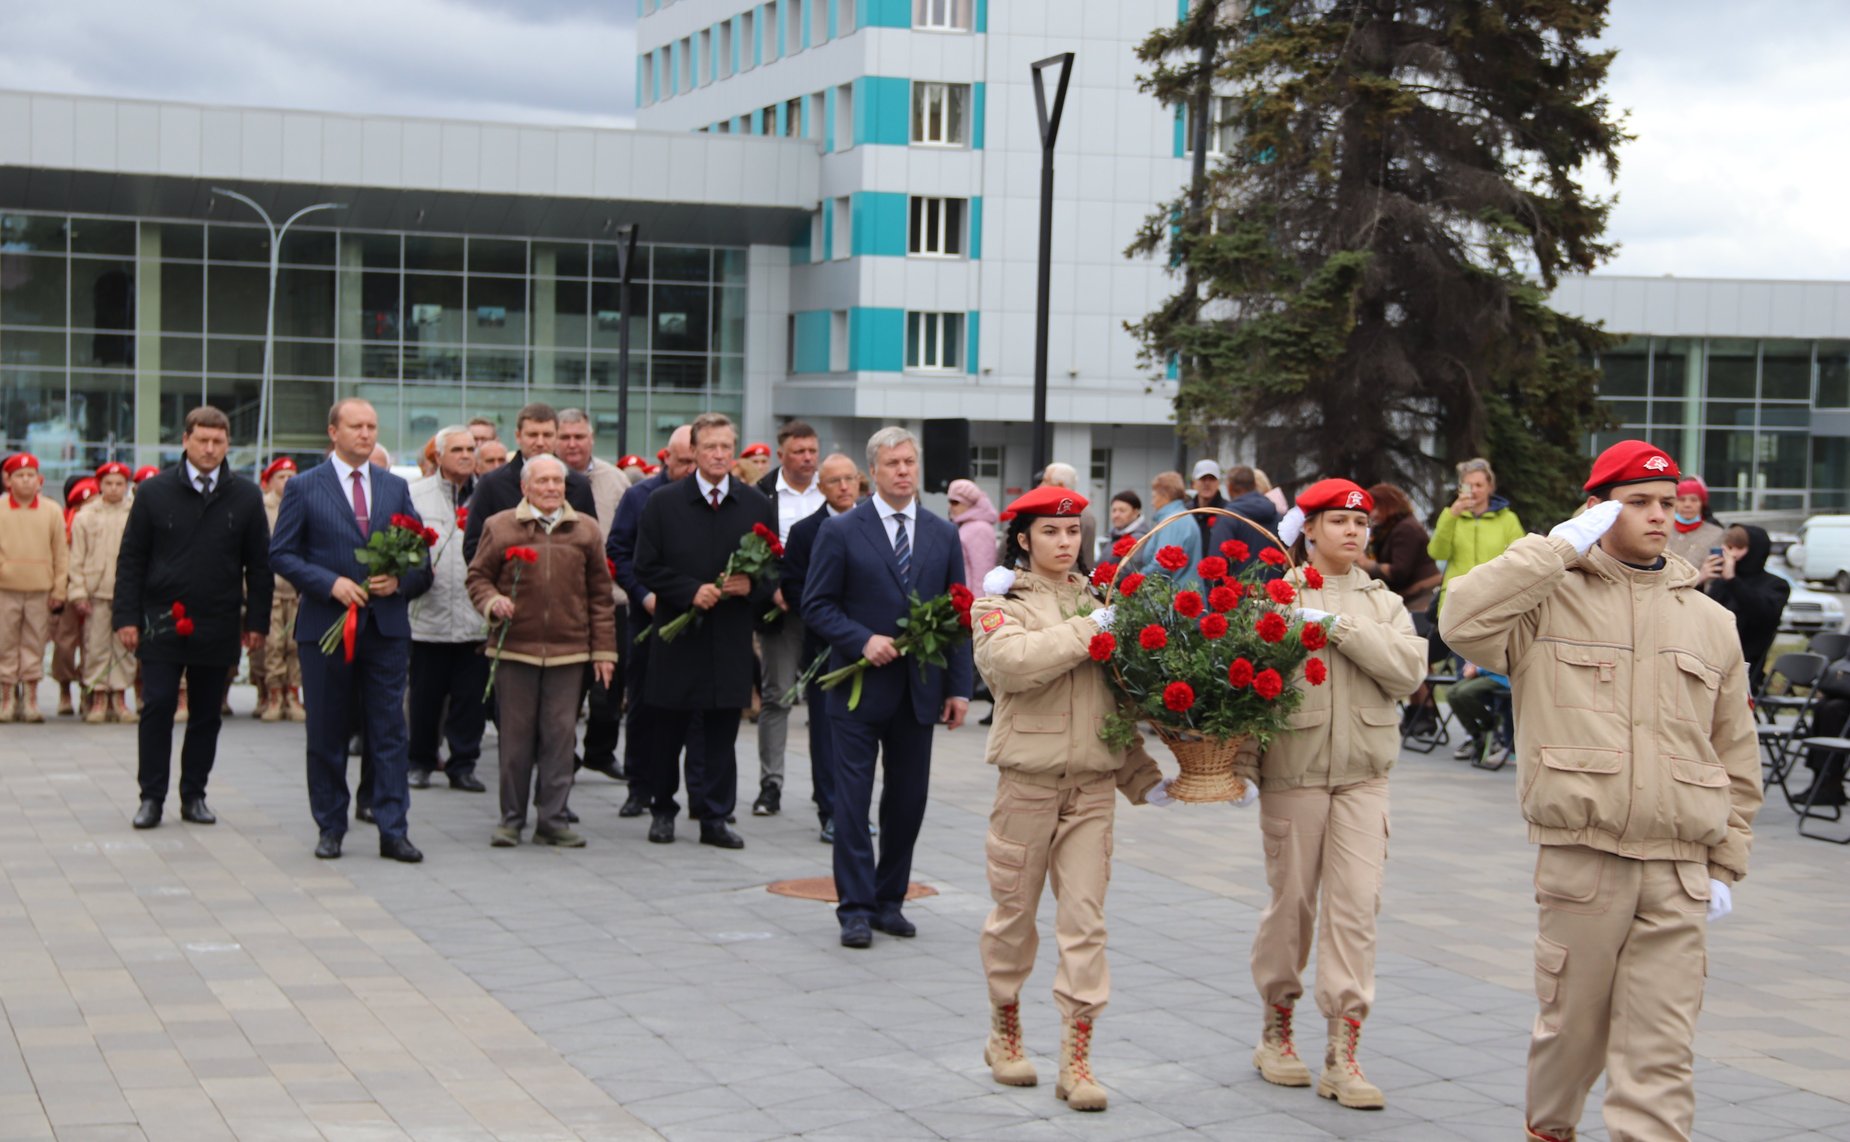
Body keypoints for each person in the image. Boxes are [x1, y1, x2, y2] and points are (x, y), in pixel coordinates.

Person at [1440, 440, 1761, 1142]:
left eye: (1667, 504)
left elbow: (1736, 753)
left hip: (1678, 868)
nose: (1658, 516)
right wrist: (1552, 550)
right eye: (1637, 502)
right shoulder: (1546, 600)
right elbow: (1460, 618)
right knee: (1570, 1035)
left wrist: (1726, 859)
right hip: (1584, 861)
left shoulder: (1710, 622)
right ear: (1595, 509)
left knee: (1661, 1054)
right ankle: (1549, 1130)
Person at [970, 487, 1168, 1113]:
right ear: (1024, 539)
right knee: (1014, 919)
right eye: (1050, 532)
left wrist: (1145, 777)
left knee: (1085, 924)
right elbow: (1012, 666)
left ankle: (1076, 1059)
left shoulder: (1104, 601)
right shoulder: (998, 604)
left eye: (1073, 531)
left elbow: (1117, 706)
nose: (1065, 542)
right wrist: (1089, 629)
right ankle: (1005, 1032)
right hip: (1026, 787)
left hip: (1091, 791)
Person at [1236, 479, 1424, 1110]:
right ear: (1308, 529)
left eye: (1360, 522)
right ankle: (1275, 1029)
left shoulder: (1382, 601)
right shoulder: (1275, 597)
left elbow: (1408, 671)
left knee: (1356, 908)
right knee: (1292, 906)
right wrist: (1236, 763)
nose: (1351, 531)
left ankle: (1343, 1051)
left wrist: (1340, 628)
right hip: (1294, 769)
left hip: (1364, 773)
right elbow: (1245, 683)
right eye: (1337, 520)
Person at [802, 426, 973, 948]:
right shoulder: (843, 531)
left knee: (907, 802)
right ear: (871, 471)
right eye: (893, 463)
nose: (903, 471)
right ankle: (853, 908)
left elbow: (957, 612)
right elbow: (817, 606)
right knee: (852, 803)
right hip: (857, 692)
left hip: (918, 692)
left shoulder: (942, 534)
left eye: (909, 463)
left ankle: (889, 900)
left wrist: (959, 687)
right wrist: (861, 639)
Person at [270, 398, 434, 862]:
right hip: (326, 626)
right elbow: (281, 554)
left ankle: (392, 828)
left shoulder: (394, 487)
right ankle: (330, 826)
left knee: (388, 731)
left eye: (372, 426)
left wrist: (399, 580)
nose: (366, 434)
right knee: (327, 731)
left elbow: (422, 558)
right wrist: (331, 583)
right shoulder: (304, 487)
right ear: (333, 432)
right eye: (356, 426)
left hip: (384, 629)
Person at [113, 408, 272, 827]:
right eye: (202, 440)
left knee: (206, 713)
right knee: (159, 704)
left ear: (227, 445)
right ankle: (151, 797)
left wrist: (256, 623)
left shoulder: (246, 495)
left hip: (218, 621)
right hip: (162, 620)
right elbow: (131, 559)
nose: (209, 449)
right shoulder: (154, 492)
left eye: (218, 442)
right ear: (185, 440)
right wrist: (126, 618)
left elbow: (259, 566)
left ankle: (194, 795)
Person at [634, 412, 776, 848]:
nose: (719, 455)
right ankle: (662, 809)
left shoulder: (755, 504)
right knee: (668, 731)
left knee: (721, 734)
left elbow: (775, 570)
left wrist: (751, 585)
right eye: (710, 446)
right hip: (678, 638)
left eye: (725, 447)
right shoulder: (664, 502)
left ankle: (715, 816)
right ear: (693, 451)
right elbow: (646, 566)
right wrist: (688, 591)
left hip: (729, 639)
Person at [468, 455, 617, 847]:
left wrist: (604, 652)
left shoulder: (586, 530)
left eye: (558, 481)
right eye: (543, 481)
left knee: (560, 739)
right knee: (515, 741)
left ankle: (552, 819)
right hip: (516, 651)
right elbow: (478, 577)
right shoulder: (500, 527)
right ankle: (511, 819)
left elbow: (601, 597)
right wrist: (493, 601)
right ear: (525, 487)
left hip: (570, 654)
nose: (552, 488)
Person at [608, 425, 699, 820]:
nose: (689, 469)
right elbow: (619, 552)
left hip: (700, 623)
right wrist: (645, 595)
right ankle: (640, 786)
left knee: (700, 713)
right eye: (683, 462)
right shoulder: (640, 496)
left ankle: (702, 795)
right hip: (649, 618)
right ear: (666, 457)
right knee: (645, 705)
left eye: (695, 462)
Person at [780, 453, 861, 842]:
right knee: (827, 733)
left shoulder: (877, 524)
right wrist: (832, 623)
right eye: (834, 481)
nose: (844, 487)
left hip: (874, 648)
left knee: (863, 736)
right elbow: (795, 589)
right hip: (825, 649)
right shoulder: (805, 532)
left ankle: (857, 810)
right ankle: (830, 809)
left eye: (850, 479)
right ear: (821, 488)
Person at [407, 426, 489, 792]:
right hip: (429, 614)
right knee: (425, 696)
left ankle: (463, 764)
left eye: (471, 448)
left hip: (474, 615)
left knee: (470, 698)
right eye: (456, 449)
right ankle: (421, 760)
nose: (465, 455)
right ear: (437, 456)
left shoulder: (488, 494)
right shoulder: (415, 495)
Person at [751, 419, 824, 817]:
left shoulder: (830, 493)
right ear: (782, 455)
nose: (808, 458)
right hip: (781, 609)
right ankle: (770, 784)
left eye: (812, 450)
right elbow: (750, 549)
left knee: (826, 701)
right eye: (799, 451)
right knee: (777, 695)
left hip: (826, 610)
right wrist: (770, 589)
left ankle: (825, 789)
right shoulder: (761, 495)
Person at [556, 408, 631, 783]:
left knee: (608, 686)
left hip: (610, 598)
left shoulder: (615, 480)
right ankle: (562, 756)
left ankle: (601, 751)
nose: (572, 444)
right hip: (563, 601)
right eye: (565, 437)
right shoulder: (545, 477)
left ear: (591, 439)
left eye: (579, 437)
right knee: (567, 686)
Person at [463, 403, 597, 563]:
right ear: (518, 436)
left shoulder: (578, 485)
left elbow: (591, 544)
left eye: (547, 435)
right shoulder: (492, 484)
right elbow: (474, 547)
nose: (540, 442)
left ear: (556, 436)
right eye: (533, 435)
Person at [0, 452, 67, 723]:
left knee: (35, 643)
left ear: (39, 481)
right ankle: (7, 698)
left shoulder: (51, 510)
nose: (26, 481)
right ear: (8, 480)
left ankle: (30, 698)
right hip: (5, 589)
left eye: (31, 476)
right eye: (20, 476)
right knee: (5, 642)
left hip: (41, 589)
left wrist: (59, 590)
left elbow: (61, 553)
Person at [67, 462, 136, 723]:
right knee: (95, 646)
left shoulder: (135, 513)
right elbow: (76, 558)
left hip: (125, 593)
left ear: (127, 486)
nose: (114, 488)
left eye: (119, 483)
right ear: (100, 485)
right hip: (96, 592)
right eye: (109, 483)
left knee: (124, 648)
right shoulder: (86, 516)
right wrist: (78, 593)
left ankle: (119, 698)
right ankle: (97, 698)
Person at [1704, 524, 1788, 693]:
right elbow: (1701, 615)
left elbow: (1764, 614)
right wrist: (1699, 580)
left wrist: (1732, 580)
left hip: (1745, 663)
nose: (1731, 553)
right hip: (1710, 658)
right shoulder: (1720, 583)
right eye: (1728, 547)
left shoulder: (1776, 585)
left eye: (1738, 548)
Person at [1427, 457, 1523, 600]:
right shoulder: (1452, 517)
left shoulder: (1507, 519)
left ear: (1490, 487)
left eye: (1479, 485)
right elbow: (1437, 553)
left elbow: (1520, 557)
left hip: (1494, 598)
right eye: (1468, 485)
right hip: (1457, 599)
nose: (1473, 490)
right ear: (1461, 488)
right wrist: (1451, 515)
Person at [256, 458, 307, 722]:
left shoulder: (303, 502)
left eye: (291, 475)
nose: (286, 481)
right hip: (272, 589)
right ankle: (273, 694)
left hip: (297, 589)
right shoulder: (261, 508)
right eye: (281, 476)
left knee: (295, 645)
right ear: (270, 480)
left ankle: (293, 694)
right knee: (274, 644)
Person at [49, 478, 98, 716]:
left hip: (95, 590)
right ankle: (64, 689)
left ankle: (88, 692)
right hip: (68, 590)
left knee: (93, 645)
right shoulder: (61, 523)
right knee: (65, 644)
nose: (84, 509)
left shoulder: (101, 521)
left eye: (90, 502)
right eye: (80, 504)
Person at [1357, 484, 1441, 613]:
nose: (1371, 514)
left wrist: (1368, 565)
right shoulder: (1385, 530)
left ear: (1388, 505)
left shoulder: (1406, 528)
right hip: (1408, 598)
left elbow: (1400, 571)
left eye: (1374, 508)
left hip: (1421, 599)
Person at [1126, 471, 1201, 589]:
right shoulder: (1179, 517)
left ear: (1165, 495)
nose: (1151, 503)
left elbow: (1162, 564)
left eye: (1154, 496)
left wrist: (1137, 580)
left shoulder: (1173, 522)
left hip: (1175, 598)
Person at [1207, 466, 1283, 578]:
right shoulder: (1279, 518)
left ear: (1229, 487)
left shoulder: (1228, 518)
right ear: (1254, 485)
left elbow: (1216, 565)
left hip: (1238, 592)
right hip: (1273, 592)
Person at [1446, 661, 1511, 764]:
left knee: (1464, 693)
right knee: (1451, 694)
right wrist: (1471, 665)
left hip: (1500, 676)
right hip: (1483, 670)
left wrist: (1478, 670)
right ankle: (1477, 735)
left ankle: (1490, 723)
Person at [947, 478, 999, 605]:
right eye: (949, 501)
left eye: (955, 502)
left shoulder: (979, 529)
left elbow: (982, 575)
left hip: (972, 604)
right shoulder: (968, 526)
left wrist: (976, 609)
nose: (950, 507)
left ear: (968, 503)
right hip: (965, 601)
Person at [1038, 463, 1095, 571]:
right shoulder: (1086, 514)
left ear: (1060, 485)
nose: (1040, 486)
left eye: (1045, 481)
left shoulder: (1069, 513)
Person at [1668, 476, 1726, 577]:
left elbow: (1715, 578)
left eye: (1694, 500)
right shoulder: (1662, 529)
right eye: (1681, 499)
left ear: (1702, 503)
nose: (1687, 505)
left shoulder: (1716, 534)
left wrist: (1700, 577)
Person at [1188, 459, 1226, 549]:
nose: (1207, 483)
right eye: (1202, 479)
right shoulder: (1186, 512)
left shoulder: (1227, 511)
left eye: (1212, 479)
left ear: (1218, 483)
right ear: (1193, 483)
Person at [1104, 491, 1148, 555]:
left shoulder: (1138, 539)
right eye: (1114, 510)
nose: (1116, 515)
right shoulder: (1114, 536)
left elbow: (1133, 564)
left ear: (1135, 512)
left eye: (1122, 510)